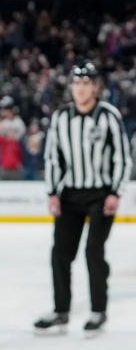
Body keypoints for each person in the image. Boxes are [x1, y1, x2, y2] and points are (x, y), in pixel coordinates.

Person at [33, 61, 132, 335]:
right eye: (76, 83)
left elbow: (122, 157)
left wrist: (115, 192)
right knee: (60, 254)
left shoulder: (109, 116)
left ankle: (98, 311)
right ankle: (61, 311)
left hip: (101, 194)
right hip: (70, 194)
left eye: (86, 83)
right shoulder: (61, 117)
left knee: (93, 252)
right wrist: (53, 192)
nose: (80, 88)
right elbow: (53, 158)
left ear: (95, 88)